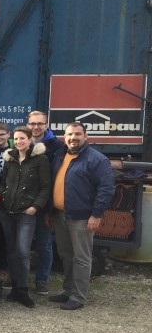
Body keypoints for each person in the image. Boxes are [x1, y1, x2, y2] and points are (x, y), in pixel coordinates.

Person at [48, 123, 115, 311]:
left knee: (82, 257)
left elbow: (106, 188)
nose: (73, 138)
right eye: (70, 134)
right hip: (60, 214)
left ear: (86, 136)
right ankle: (68, 291)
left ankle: (78, 296)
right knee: (66, 255)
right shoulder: (60, 155)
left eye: (78, 134)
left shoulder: (96, 159)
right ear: (64, 136)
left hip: (82, 217)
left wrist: (96, 215)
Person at [0, 125, 52, 308]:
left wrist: (36, 206)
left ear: (30, 139)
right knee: (10, 250)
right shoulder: (9, 159)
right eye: (16, 139)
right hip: (7, 211)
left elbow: (45, 187)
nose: (18, 142)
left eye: (22, 139)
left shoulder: (40, 160)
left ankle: (23, 290)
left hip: (26, 212)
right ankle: (15, 287)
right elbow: (3, 184)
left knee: (23, 251)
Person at [27, 110, 64, 295]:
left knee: (44, 244)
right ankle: (19, 278)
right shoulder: (20, 143)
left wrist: (49, 207)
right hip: (23, 204)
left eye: (39, 123)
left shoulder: (56, 146)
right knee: (21, 244)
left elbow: (57, 177)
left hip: (44, 204)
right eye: (32, 123)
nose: (35, 127)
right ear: (28, 125)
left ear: (46, 125)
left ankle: (42, 280)